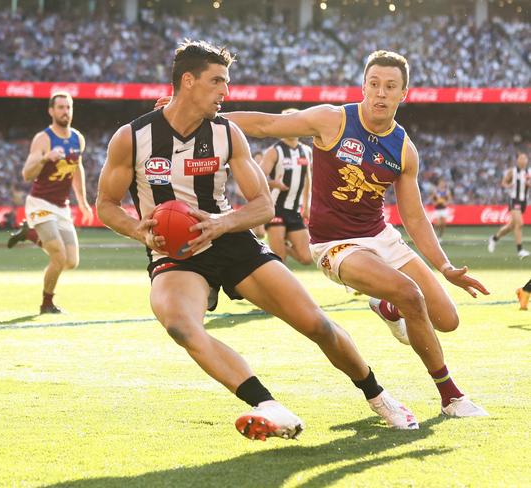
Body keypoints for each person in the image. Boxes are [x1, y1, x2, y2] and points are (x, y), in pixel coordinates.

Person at [98, 40, 418, 442]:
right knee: (180, 326)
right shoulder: (132, 137)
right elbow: (106, 205)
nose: (226, 92)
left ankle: (379, 396)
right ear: (188, 81)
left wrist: (219, 222)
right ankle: (267, 406)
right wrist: (137, 228)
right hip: (174, 253)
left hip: (232, 241)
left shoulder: (227, 133)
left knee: (317, 325)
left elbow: (263, 206)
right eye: (218, 82)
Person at [192, 50, 491, 417]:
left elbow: (413, 218)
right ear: (363, 86)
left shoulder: (404, 149)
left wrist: (445, 267)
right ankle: (451, 397)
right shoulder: (333, 120)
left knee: (447, 319)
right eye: (374, 84)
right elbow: (265, 125)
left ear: (404, 94)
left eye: (390, 87)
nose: (380, 93)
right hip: (336, 244)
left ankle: (386, 306)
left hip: (381, 235)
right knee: (410, 294)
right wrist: (205, 118)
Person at [8, 92, 93, 313]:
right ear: (51, 111)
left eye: (68, 107)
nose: (65, 111)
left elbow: (77, 169)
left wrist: (82, 201)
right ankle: (47, 303)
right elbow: (27, 174)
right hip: (40, 203)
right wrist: (45, 158)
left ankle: (29, 234)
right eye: (61, 107)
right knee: (59, 256)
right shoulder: (43, 139)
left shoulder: (78, 138)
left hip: (61, 206)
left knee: (71, 261)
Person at [261, 109, 312, 265]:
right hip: (275, 209)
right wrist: (273, 183)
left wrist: (307, 204)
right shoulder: (274, 151)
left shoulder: (306, 151)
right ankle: (274, 248)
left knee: (307, 258)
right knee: (280, 259)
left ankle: (271, 246)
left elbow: (308, 179)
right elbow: (258, 178)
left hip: (295, 210)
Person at [488, 151, 530, 259]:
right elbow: (503, 183)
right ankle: (520, 250)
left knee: (511, 226)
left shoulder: (529, 172)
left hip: (523, 201)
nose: (523, 161)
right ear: (517, 160)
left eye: (525, 158)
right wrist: (509, 185)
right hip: (514, 200)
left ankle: (494, 238)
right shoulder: (513, 171)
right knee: (519, 224)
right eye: (521, 158)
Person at [429, 177, 453, 243]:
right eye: (441, 183)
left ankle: (440, 237)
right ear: (439, 183)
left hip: (444, 209)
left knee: (443, 224)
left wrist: (446, 203)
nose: (442, 184)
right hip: (437, 209)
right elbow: (431, 198)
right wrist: (435, 203)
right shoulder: (436, 191)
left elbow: (450, 199)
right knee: (437, 224)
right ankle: (434, 236)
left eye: (443, 183)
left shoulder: (447, 191)